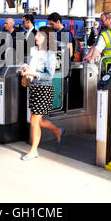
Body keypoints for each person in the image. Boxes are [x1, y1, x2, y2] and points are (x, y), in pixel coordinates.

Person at [20, 26, 63, 161]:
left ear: (46, 38)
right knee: (36, 119)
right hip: (34, 87)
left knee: (34, 119)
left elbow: (49, 75)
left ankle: (33, 150)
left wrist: (31, 73)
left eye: (39, 35)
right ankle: (57, 130)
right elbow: (32, 68)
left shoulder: (50, 54)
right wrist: (26, 68)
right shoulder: (34, 51)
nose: (36, 37)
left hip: (44, 89)